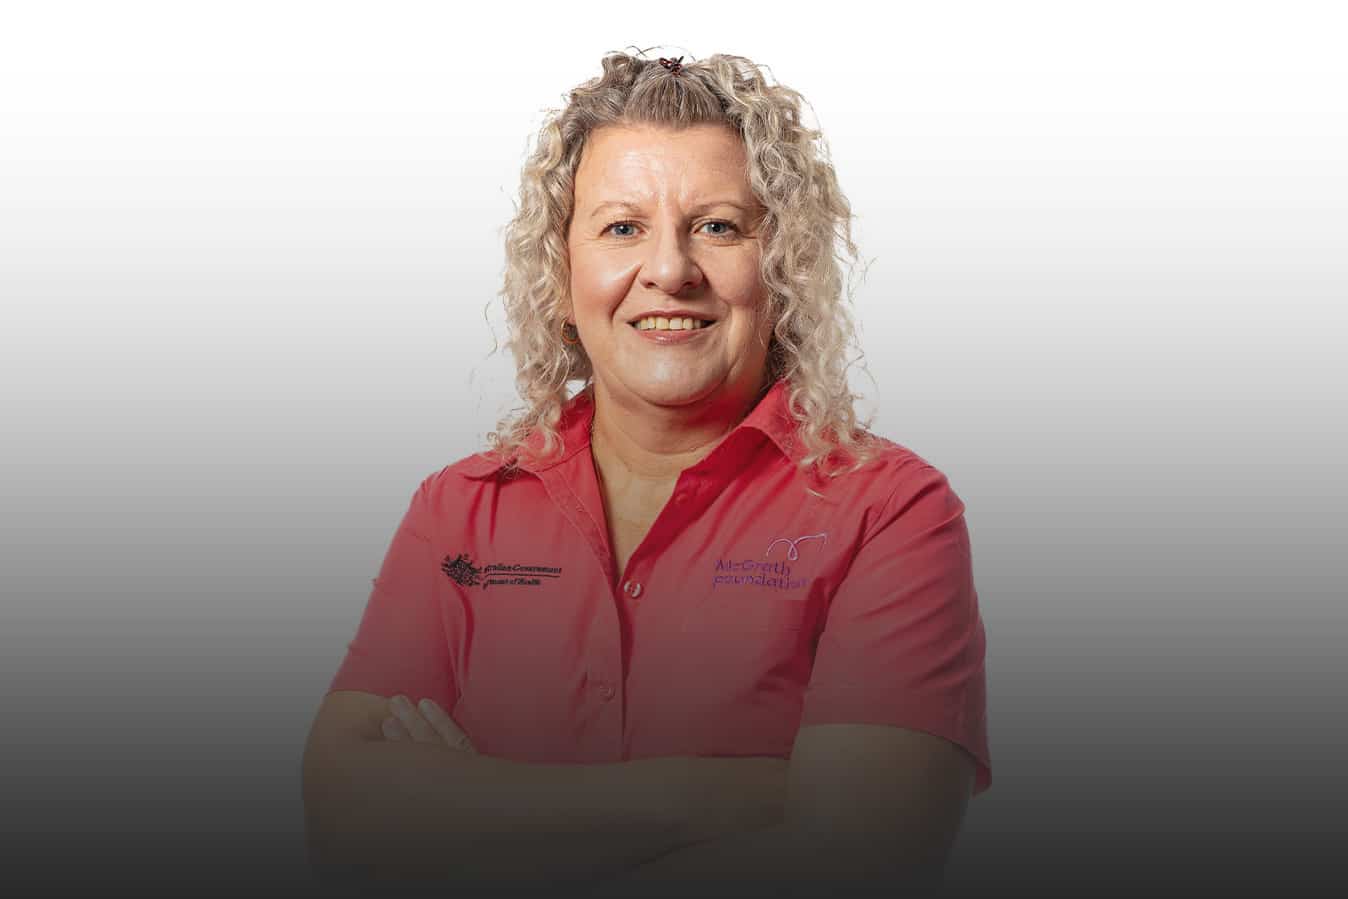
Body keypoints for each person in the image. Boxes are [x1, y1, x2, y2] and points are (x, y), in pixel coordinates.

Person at [301, 49, 990, 898]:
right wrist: (712, 795)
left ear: (783, 269)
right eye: (623, 227)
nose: (670, 269)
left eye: (719, 226)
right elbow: (342, 821)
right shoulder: (460, 510)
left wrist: (466, 809)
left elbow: (861, 862)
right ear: (560, 273)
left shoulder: (890, 511)